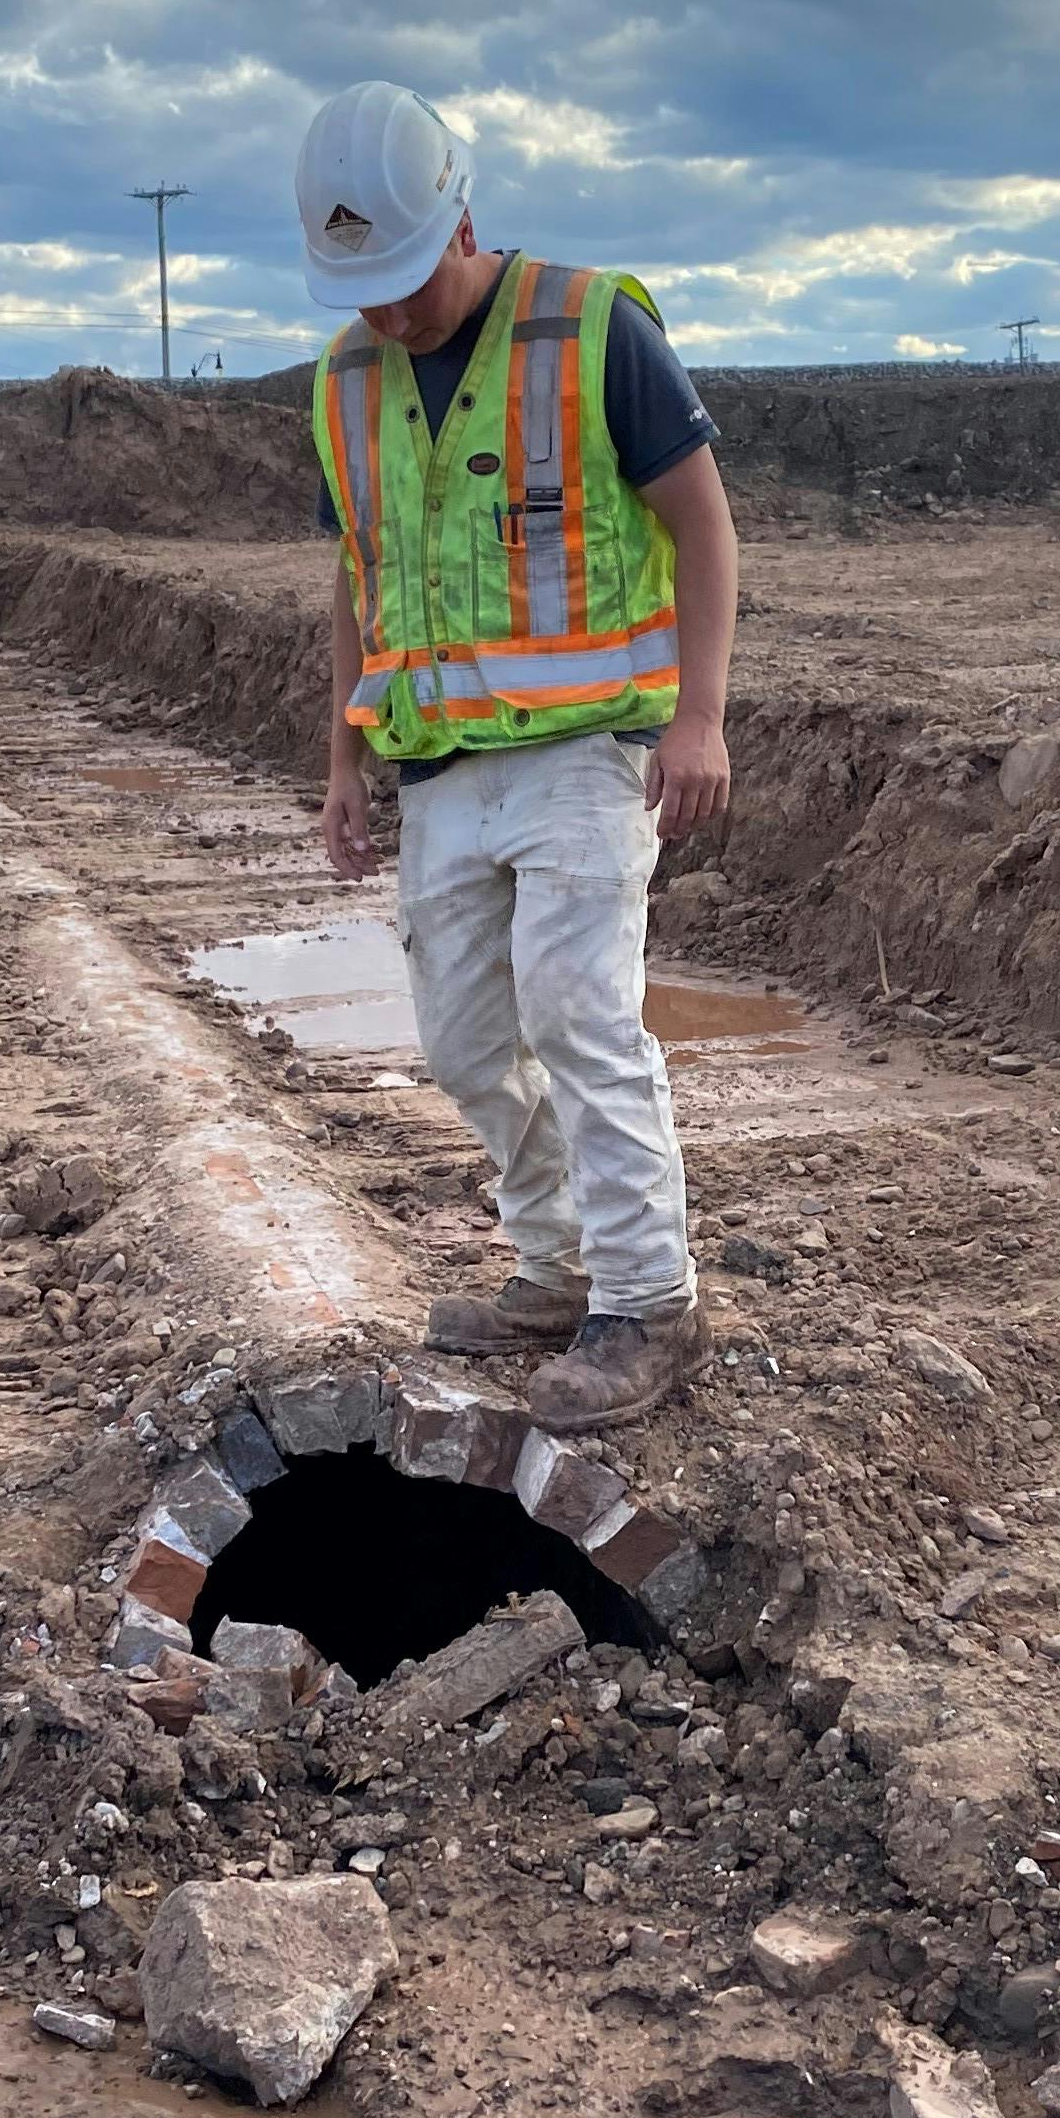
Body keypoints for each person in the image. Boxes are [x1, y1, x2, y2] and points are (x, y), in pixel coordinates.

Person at [296, 80, 739, 1432]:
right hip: (439, 769)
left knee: (577, 1013)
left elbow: (707, 529)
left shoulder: (594, 332)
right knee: (468, 1042)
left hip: (588, 752)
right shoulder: (347, 381)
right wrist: (340, 763)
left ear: (462, 221)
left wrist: (701, 714)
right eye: (362, 288)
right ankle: (553, 1267)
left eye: (408, 281)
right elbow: (353, 580)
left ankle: (646, 1301)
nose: (389, 312)